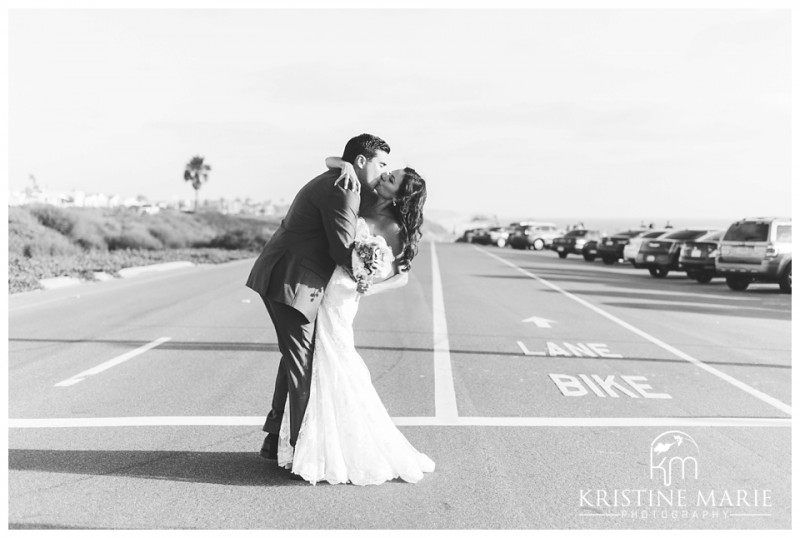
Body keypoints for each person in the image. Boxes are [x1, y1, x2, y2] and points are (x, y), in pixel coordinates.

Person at [275, 157, 435, 485]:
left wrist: (368, 282)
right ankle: (306, 441)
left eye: (390, 178)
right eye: (388, 171)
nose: (384, 176)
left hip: (344, 297)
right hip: (322, 283)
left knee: (333, 360)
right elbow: (332, 161)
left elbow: (400, 276)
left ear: (398, 196)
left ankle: (328, 448)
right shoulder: (359, 195)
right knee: (310, 361)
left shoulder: (394, 229)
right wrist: (345, 165)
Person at [245, 134, 390, 464]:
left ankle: (274, 440)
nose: (384, 171)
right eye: (382, 164)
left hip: (292, 276)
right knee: (303, 367)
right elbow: (341, 249)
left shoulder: (340, 177)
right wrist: (368, 270)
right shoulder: (346, 187)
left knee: (295, 359)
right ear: (363, 162)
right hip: (292, 280)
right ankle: (300, 451)